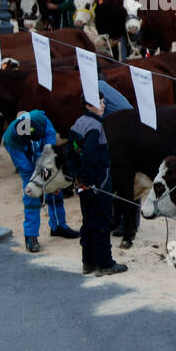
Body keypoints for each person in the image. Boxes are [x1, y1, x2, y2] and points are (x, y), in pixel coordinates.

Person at [66, 96, 127, 276]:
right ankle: (105, 264)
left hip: (82, 183)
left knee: (88, 221)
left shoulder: (78, 123)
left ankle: (89, 262)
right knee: (102, 221)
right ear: (88, 106)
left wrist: (77, 177)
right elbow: (90, 157)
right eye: (99, 102)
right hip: (98, 183)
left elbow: (71, 153)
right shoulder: (95, 127)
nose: (103, 105)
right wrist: (91, 182)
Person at [4, 109, 77, 253]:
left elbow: (49, 147)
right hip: (27, 162)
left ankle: (59, 226)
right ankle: (30, 235)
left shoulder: (42, 120)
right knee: (31, 194)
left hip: (42, 157)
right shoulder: (11, 140)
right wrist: (41, 185)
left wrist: (48, 178)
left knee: (55, 190)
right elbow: (26, 169)